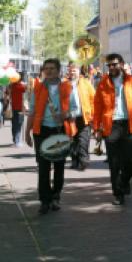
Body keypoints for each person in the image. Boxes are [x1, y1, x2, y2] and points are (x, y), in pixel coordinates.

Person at [25, 58, 78, 214]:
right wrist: (27, 132)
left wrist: (66, 114)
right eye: (46, 68)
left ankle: (56, 196)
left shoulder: (67, 87)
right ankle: (44, 200)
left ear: (58, 70)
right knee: (43, 167)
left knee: (59, 167)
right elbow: (33, 110)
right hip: (42, 131)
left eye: (52, 68)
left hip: (60, 130)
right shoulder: (38, 88)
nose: (48, 71)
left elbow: (75, 109)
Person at [94, 53, 132, 205]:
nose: (112, 67)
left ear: (122, 64)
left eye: (114, 64)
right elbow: (97, 106)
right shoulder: (103, 83)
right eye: (109, 65)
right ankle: (118, 193)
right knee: (114, 162)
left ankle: (124, 182)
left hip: (129, 124)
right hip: (112, 125)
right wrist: (96, 128)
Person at [66, 61, 95, 170]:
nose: (72, 72)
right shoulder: (65, 84)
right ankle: (75, 160)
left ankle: (84, 159)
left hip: (84, 117)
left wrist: (93, 115)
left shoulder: (85, 83)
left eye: (74, 70)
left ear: (79, 71)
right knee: (72, 141)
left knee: (83, 140)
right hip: (70, 118)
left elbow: (93, 99)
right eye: (70, 70)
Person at [10, 71, 26, 147]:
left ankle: (14, 139)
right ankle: (17, 141)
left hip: (13, 108)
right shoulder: (21, 86)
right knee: (19, 124)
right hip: (20, 108)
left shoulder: (11, 86)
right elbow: (26, 93)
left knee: (14, 124)